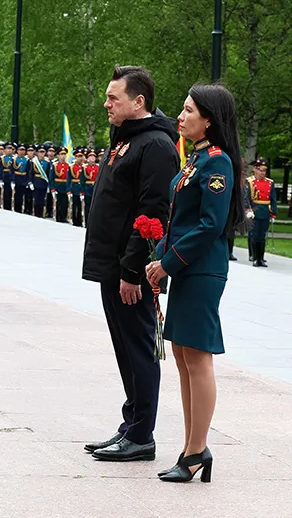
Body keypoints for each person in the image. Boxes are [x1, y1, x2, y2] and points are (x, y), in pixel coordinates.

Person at [146, 84, 245, 483]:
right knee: (183, 355)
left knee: (198, 357)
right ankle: (191, 447)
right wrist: (159, 255)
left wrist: (168, 263)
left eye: (189, 110)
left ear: (208, 120)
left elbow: (210, 225)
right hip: (186, 267)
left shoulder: (217, 163)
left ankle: (196, 450)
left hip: (202, 270)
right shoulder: (197, 160)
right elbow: (180, 220)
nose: (180, 116)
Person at [82, 65, 179, 462]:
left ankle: (142, 434)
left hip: (131, 271)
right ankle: (131, 425)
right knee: (125, 349)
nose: (106, 104)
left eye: (113, 98)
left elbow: (152, 212)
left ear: (138, 102)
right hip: (112, 264)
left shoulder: (155, 145)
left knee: (139, 350)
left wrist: (132, 270)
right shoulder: (127, 138)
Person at [246, 159, 277, 267]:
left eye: (264, 170)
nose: (263, 172)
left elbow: (273, 199)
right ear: (255, 170)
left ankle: (261, 258)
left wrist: (274, 213)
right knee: (255, 235)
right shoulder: (250, 182)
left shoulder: (270, 182)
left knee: (262, 236)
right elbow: (246, 198)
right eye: (260, 170)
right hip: (255, 210)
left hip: (265, 211)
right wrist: (248, 210)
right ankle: (255, 258)